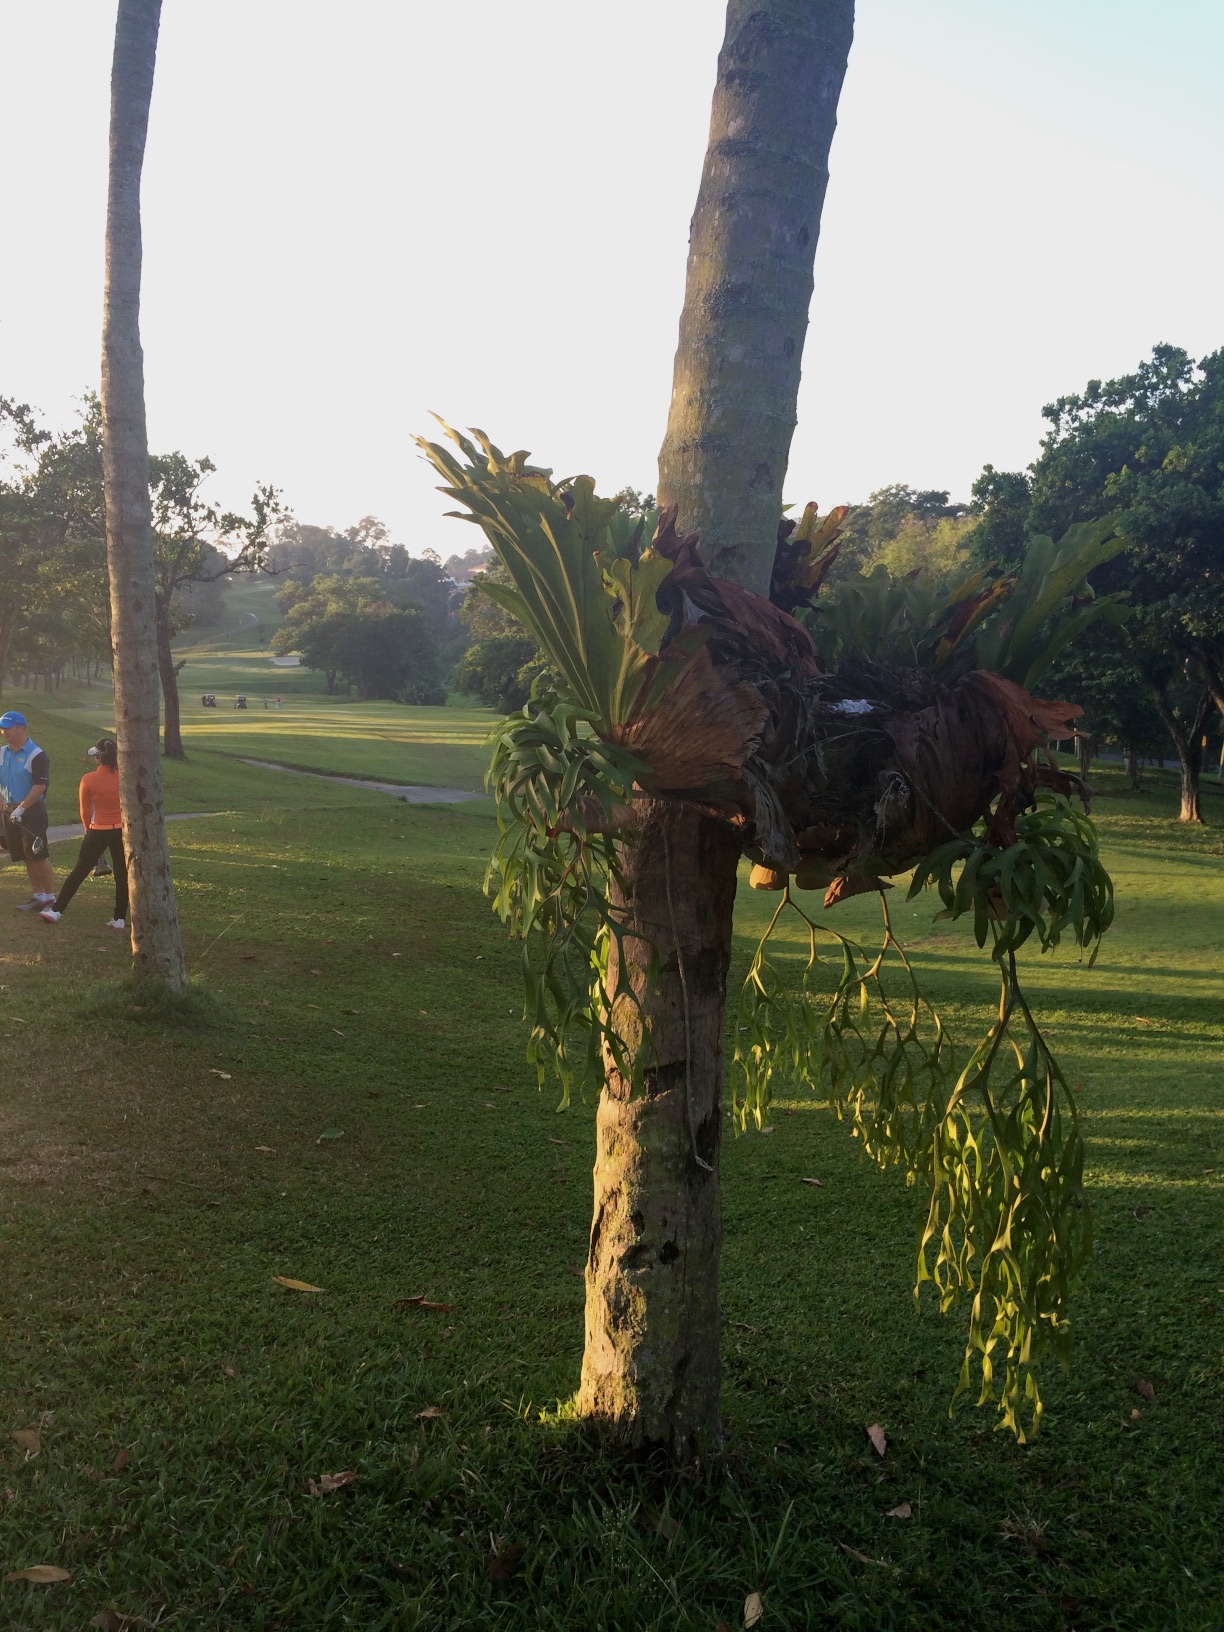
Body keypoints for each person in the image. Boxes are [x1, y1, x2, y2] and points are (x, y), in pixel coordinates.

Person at [39, 737, 127, 930]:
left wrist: (87, 828)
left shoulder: (88, 779)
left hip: (98, 829)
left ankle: (56, 911)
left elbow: (85, 811)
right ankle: (120, 918)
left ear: (98, 757)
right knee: (122, 874)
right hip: (121, 830)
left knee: (79, 871)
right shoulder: (125, 777)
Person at [0, 710, 56, 912]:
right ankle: (38, 896)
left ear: (21, 728)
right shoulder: (2, 752)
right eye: (2, 728)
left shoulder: (36, 754)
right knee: (25, 855)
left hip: (31, 810)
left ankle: (50, 898)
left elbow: (40, 786)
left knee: (38, 854)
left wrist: (22, 808)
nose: (4, 732)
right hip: (10, 809)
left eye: (8, 728)